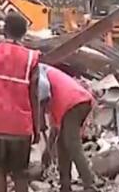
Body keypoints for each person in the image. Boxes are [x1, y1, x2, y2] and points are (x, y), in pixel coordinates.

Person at [0, 12, 40, 192]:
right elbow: (34, 95)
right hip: (21, 126)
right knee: (21, 172)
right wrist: (36, 127)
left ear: (4, 30)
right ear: (24, 33)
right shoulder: (31, 58)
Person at [39, 63, 97, 192]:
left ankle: (89, 184)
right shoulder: (43, 74)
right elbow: (54, 130)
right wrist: (47, 151)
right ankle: (65, 184)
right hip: (75, 102)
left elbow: (42, 93)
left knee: (72, 144)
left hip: (74, 102)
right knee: (62, 145)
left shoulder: (36, 73)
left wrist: (40, 119)